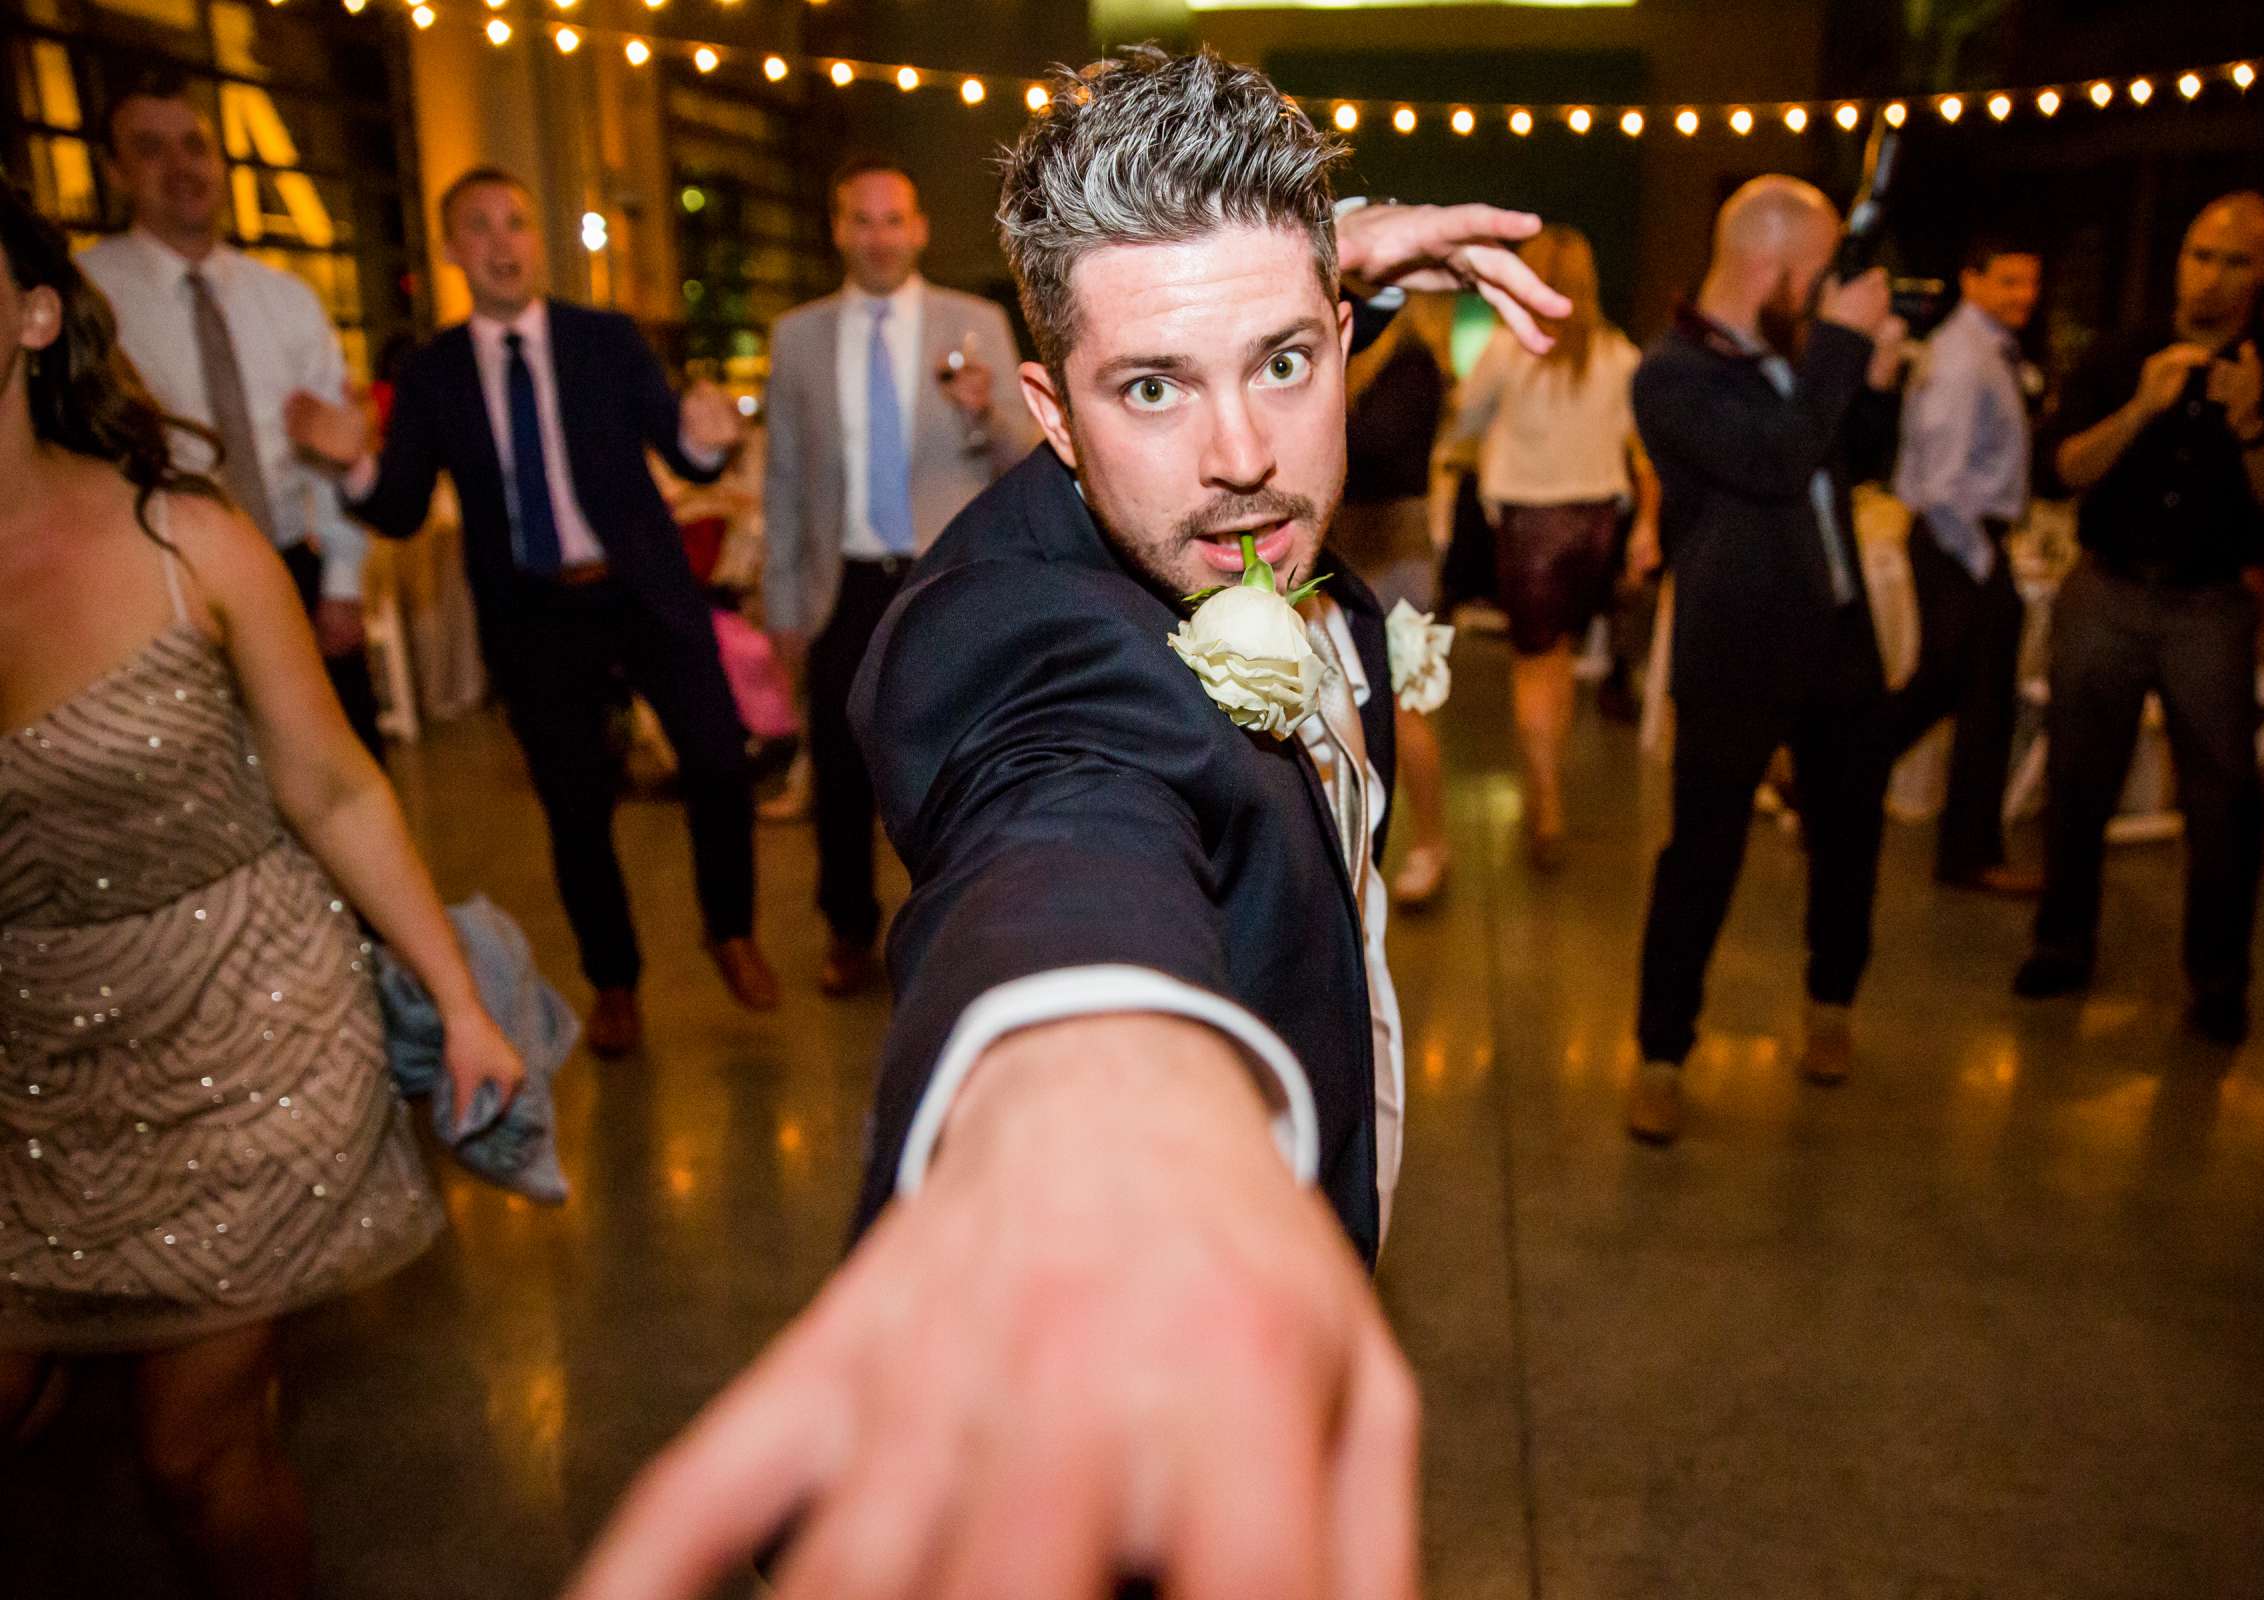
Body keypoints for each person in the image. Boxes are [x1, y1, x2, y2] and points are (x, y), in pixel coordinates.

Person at [564, 47, 1573, 1600]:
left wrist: (1323, 257)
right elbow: (1061, 822)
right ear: (1050, 409)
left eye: (1288, 362)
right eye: (1152, 387)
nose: (1241, 452)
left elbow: (1229, 325)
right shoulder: (1016, 634)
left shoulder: (1236, 452)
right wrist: (1093, 1080)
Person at [0, 181, 522, 1600]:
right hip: (25, 1056)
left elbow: (337, 788)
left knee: (193, 1453)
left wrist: (460, 1004)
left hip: (251, 1021)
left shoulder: (186, 538)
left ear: (34, 316)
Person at [286, 167, 778, 1057]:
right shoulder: (434, 371)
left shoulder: (606, 339)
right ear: (451, 250)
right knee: (575, 806)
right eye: (478, 227)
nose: (502, 242)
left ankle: (730, 929)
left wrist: (708, 443)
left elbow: (687, 451)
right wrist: (350, 466)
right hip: (534, 616)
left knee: (716, 760)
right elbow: (398, 506)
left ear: (536, 240)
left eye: (515, 222)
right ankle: (614, 980)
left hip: (643, 592)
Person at [2014, 192, 2264, 1046]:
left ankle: (2218, 982)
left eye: (2237, 261)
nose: (2214, 275)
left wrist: (2248, 423)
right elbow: (2056, 471)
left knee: (2224, 800)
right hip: (2108, 588)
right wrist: (2138, 410)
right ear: (2180, 259)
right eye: (2202, 254)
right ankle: (2061, 942)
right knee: (2078, 780)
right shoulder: (2124, 355)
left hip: (2210, 602)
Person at [1625, 176, 1907, 1146]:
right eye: (1820, 274)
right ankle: (1661, 1052)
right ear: (1773, 268)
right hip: (1738, 645)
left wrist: (1869, 382)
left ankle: (1834, 1002)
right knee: (1702, 853)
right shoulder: (1669, 375)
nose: (1832, 290)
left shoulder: (1799, 354)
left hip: (1838, 633)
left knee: (1850, 838)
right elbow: (1780, 461)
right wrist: (1844, 346)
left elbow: (1853, 457)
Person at [760, 158, 1045, 997]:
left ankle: (960, 921)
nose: (879, 236)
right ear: (839, 230)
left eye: (894, 220)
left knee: (959, 759)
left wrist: (986, 411)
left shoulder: (979, 320)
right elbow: (782, 479)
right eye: (863, 220)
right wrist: (782, 604)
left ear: (918, 230)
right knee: (842, 774)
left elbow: (1029, 459)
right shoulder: (797, 337)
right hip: (843, 582)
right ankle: (849, 930)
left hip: (947, 574)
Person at [77, 70, 386, 760]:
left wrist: (340, 585)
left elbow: (327, 456)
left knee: (346, 774)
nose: (181, 166)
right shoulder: (87, 301)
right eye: (151, 148)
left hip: (288, 570)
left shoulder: (286, 300)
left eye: (195, 145)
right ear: (115, 170)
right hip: (155, 588)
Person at [1441, 224, 1659, 869]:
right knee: (1559, 657)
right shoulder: (1620, 356)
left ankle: (1546, 799)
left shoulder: (1509, 351)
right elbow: (1645, 456)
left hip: (1530, 530)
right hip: (1595, 528)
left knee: (1532, 663)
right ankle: (1549, 782)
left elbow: (1462, 420)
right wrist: (1645, 527)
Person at [1888, 239, 2045, 894]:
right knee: (1975, 700)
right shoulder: (1963, 358)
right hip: (1960, 541)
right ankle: (1969, 854)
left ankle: (1829, 778)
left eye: (2029, 283)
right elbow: (1943, 483)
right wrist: (1984, 564)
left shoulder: (1984, 351)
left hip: (1961, 540)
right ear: (1970, 280)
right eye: (2006, 281)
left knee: (1956, 691)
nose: (2021, 297)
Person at [1332, 292, 1454, 906]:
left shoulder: (1413, 363)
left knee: (1410, 707)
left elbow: (1382, 452)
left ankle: (1430, 843)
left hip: (1399, 551)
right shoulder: (1364, 361)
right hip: (1348, 543)